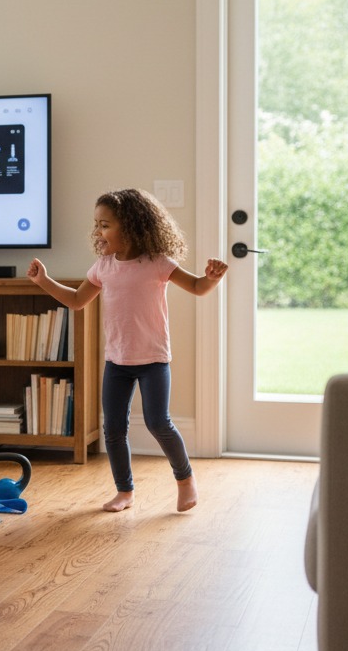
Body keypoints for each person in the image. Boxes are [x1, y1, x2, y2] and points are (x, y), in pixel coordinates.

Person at [27, 188, 228, 513]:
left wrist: (212, 278)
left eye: (105, 225)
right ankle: (125, 491)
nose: (98, 232)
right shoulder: (104, 266)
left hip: (153, 360)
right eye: (97, 225)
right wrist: (44, 281)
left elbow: (196, 287)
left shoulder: (157, 263)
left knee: (158, 422)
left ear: (132, 226)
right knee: (114, 428)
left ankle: (185, 479)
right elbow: (77, 301)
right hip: (117, 361)